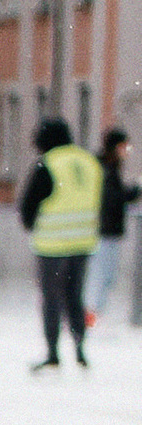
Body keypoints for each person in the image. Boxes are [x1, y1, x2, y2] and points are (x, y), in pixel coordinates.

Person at [21, 112, 103, 371]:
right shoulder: (89, 162)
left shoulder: (48, 163)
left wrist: (31, 224)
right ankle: (80, 347)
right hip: (83, 242)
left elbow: (28, 205)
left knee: (51, 299)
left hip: (52, 245)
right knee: (74, 296)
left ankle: (53, 351)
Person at [90, 126, 129, 335]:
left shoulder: (110, 168)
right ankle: (92, 315)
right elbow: (112, 198)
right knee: (100, 275)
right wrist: (130, 193)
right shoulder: (105, 168)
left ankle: (95, 315)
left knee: (106, 276)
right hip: (103, 231)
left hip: (109, 230)